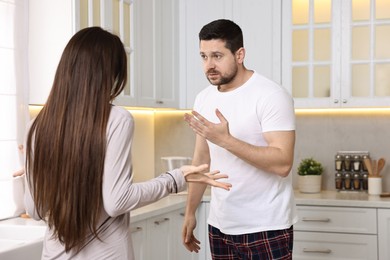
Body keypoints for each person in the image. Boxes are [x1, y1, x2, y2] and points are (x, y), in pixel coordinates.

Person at [24, 26, 231, 260]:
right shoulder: (116, 119)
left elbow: (35, 210)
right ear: (110, 73)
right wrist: (175, 179)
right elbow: (116, 201)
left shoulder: (37, 126)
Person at [182, 19, 297, 259]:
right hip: (220, 224)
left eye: (217, 56)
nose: (209, 65)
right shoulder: (203, 98)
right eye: (203, 56)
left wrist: (226, 140)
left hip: (266, 226)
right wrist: (190, 211)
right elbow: (202, 158)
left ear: (240, 54)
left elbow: (283, 163)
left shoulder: (271, 95)